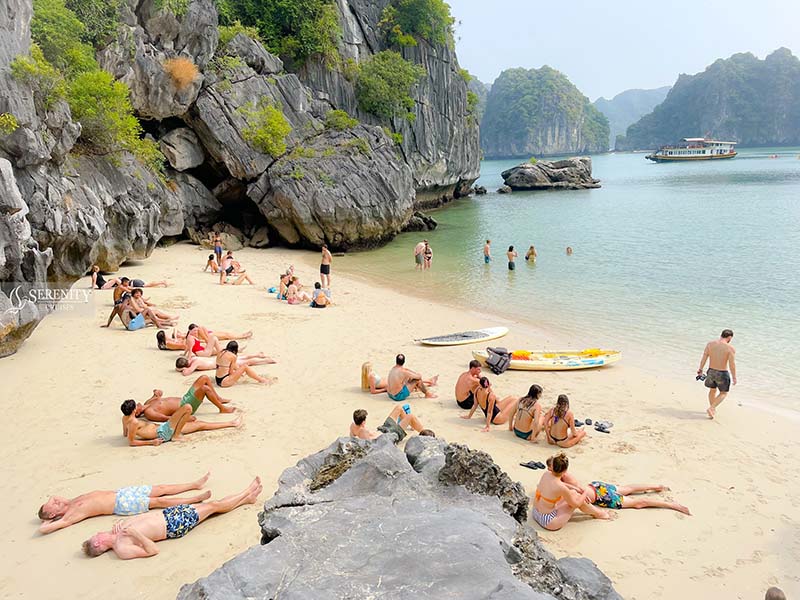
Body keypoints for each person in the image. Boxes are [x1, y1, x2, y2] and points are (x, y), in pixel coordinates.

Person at [81, 477, 262, 559]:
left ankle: (247, 499)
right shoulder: (122, 549)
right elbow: (152, 551)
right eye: (95, 536)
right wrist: (136, 534)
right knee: (213, 506)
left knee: (212, 506)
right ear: (98, 544)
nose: (97, 532)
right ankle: (246, 492)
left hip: (168, 514)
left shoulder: (118, 531)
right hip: (173, 525)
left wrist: (123, 526)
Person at [38, 473, 211, 534]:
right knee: (159, 501)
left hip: (121, 492)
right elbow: (43, 529)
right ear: (53, 514)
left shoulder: (69, 502)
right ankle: (194, 499)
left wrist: (49, 510)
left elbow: (53, 496)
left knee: (160, 488)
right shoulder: (71, 514)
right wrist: (48, 520)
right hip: (121, 504)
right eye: (52, 506)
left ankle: (193, 485)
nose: (55, 502)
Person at [531, 453, 612, 530]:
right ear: (565, 470)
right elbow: (576, 504)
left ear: (551, 467)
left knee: (573, 492)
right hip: (548, 521)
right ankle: (599, 514)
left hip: (535, 513)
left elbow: (559, 484)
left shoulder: (546, 474)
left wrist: (576, 488)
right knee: (577, 497)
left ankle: (598, 512)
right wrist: (585, 492)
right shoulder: (561, 488)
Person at [120, 399, 242, 446]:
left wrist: (139, 432)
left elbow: (126, 434)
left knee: (199, 425)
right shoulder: (134, 422)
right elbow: (131, 441)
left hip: (163, 429)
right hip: (164, 432)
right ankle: (176, 436)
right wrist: (152, 442)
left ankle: (232, 423)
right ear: (134, 410)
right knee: (188, 407)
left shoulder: (125, 419)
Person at [129, 376, 235, 421]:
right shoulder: (149, 412)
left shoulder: (147, 402)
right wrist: (186, 419)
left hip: (185, 397)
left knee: (204, 378)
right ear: (137, 413)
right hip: (187, 406)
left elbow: (158, 396)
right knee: (205, 388)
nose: (136, 403)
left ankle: (218, 398)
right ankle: (222, 408)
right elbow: (166, 418)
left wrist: (156, 392)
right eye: (135, 406)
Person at [697, 329, 737, 419]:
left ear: (721, 335)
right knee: (723, 393)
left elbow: (704, 357)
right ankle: (712, 408)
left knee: (712, 390)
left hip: (711, 371)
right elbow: (732, 364)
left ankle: (712, 410)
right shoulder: (730, 348)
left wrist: (700, 369)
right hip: (722, 373)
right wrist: (734, 377)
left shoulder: (710, 344)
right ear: (729, 337)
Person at [349, 406, 425, 440]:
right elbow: (373, 445)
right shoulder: (364, 433)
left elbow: (351, 438)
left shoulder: (353, 426)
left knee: (398, 408)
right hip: (390, 435)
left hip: (383, 428)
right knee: (410, 416)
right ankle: (425, 434)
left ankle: (410, 424)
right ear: (363, 422)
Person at [176, 352, 275, 376]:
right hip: (217, 359)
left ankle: (266, 361)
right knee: (242, 358)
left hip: (220, 363)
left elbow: (186, 373)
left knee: (246, 362)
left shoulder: (195, 364)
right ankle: (258, 354)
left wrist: (180, 370)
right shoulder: (193, 358)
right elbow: (190, 354)